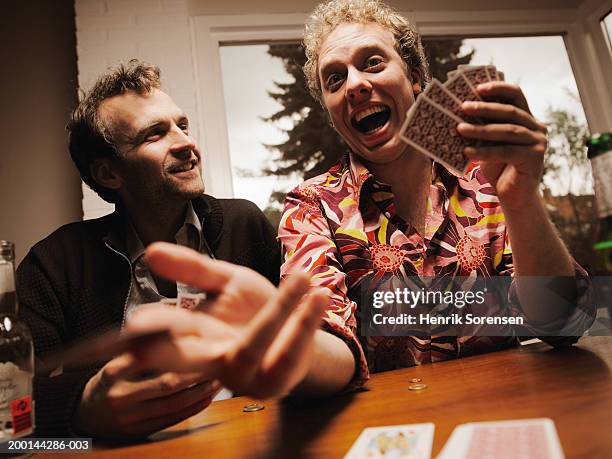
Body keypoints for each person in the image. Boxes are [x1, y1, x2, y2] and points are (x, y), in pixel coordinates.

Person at [124, 0, 594, 402]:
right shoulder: (313, 204)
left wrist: (522, 198)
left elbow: (563, 322)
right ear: (331, 112)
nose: (353, 84)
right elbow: (332, 345)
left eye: (372, 63)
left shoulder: (487, 183)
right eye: (334, 79)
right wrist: (287, 351)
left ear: (414, 79)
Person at [16, 60, 325, 439]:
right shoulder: (55, 262)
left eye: (182, 125)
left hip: (249, 439)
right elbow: (8, 391)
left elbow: (303, 352)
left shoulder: (244, 224)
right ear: (108, 174)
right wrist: (80, 408)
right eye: (154, 134)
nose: (186, 143)